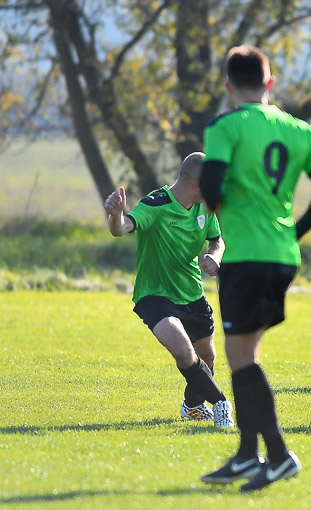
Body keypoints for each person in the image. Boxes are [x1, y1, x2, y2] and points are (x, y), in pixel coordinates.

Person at [198, 45, 311, 492]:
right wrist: (295, 232)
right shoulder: (301, 130)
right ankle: (246, 454)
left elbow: (210, 184)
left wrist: (216, 203)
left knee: (241, 357)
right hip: (282, 256)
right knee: (246, 353)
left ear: (228, 87)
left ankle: (277, 455)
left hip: (246, 256)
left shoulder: (225, 126)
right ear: (270, 83)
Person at [103, 152, 234, 427]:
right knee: (183, 350)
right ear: (197, 184)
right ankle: (221, 403)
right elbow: (122, 228)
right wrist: (116, 216)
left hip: (192, 293)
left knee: (207, 356)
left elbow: (217, 240)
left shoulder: (203, 208)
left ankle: (192, 406)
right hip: (155, 294)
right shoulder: (156, 203)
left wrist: (215, 257)